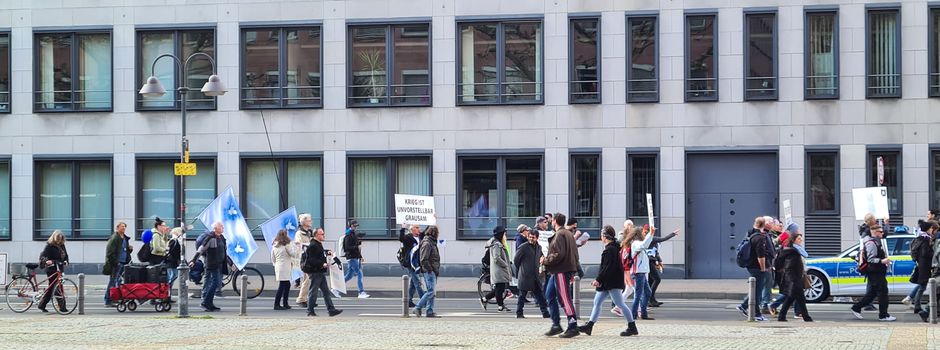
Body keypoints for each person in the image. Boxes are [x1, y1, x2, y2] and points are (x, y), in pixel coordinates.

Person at [578, 225, 638, 337]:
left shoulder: (609, 250)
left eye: (602, 235)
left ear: (605, 237)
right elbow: (608, 267)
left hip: (611, 282)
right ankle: (589, 326)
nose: (601, 237)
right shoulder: (613, 247)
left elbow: (607, 267)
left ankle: (632, 326)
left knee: (620, 304)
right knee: (597, 302)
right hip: (608, 282)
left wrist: (598, 279)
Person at [541, 212, 581, 338]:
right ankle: (556, 325)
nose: (551, 223)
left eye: (551, 221)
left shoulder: (559, 235)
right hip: (562, 270)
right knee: (550, 295)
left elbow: (558, 254)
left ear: (555, 221)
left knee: (564, 298)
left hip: (561, 270)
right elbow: (575, 254)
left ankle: (572, 325)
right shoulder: (569, 234)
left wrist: (545, 260)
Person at [850, 224, 895, 321]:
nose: (883, 233)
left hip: (876, 271)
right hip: (875, 272)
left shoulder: (875, 242)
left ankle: (856, 307)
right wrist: (882, 261)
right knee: (883, 293)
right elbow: (871, 259)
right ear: (874, 232)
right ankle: (883, 315)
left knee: (872, 294)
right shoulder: (871, 243)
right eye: (881, 232)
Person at [737, 217, 771, 321]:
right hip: (757, 267)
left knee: (756, 290)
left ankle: (746, 307)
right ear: (763, 225)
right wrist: (763, 268)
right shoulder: (759, 237)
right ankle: (755, 313)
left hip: (751, 265)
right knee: (757, 291)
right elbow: (760, 255)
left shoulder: (750, 233)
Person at [305, 227, 343, 317]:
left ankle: (331, 310)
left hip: (319, 272)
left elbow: (319, 254)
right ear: (316, 235)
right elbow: (311, 259)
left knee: (326, 292)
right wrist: (323, 264)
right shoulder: (313, 245)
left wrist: (326, 252)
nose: (323, 235)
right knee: (313, 291)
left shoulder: (317, 244)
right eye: (322, 234)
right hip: (315, 272)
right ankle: (310, 311)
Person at [630, 225, 666, 321]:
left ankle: (643, 313)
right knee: (638, 295)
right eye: (643, 232)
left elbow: (646, 244)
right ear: (638, 234)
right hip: (638, 273)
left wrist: (651, 234)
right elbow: (644, 245)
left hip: (641, 272)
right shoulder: (636, 243)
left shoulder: (639, 243)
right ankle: (634, 315)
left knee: (647, 292)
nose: (644, 234)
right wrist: (651, 234)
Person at [775, 233, 813, 322]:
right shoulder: (793, 252)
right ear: (794, 240)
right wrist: (793, 279)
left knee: (794, 298)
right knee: (796, 298)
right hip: (793, 278)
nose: (801, 240)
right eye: (799, 239)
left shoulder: (794, 251)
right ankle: (806, 317)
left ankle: (782, 316)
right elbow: (790, 267)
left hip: (795, 278)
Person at [513, 226, 549, 319]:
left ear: (537, 238)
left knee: (540, 296)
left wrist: (542, 260)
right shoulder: (523, 247)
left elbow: (541, 257)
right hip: (525, 275)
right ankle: (519, 313)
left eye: (533, 237)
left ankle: (545, 313)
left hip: (535, 276)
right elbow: (516, 260)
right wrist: (522, 269)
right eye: (529, 237)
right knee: (522, 296)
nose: (531, 239)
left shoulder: (539, 247)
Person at [190, 222, 227, 312]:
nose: (223, 227)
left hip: (219, 264)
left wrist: (231, 263)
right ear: (216, 228)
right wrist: (194, 260)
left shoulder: (221, 238)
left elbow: (224, 252)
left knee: (215, 283)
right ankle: (205, 302)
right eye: (221, 226)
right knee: (216, 283)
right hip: (212, 264)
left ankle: (209, 303)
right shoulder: (210, 238)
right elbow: (201, 249)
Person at [908, 219, 937, 321]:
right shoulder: (925, 239)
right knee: (922, 286)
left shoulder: (920, 238)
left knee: (922, 286)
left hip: (921, 265)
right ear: (928, 229)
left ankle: (917, 305)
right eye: (930, 228)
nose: (931, 230)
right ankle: (917, 306)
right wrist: (932, 253)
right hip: (925, 266)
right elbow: (925, 254)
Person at [37, 230, 69, 313]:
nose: (59, 241)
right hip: (52, 269)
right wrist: (47, 261)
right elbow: (43, 257)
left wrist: (66, 261)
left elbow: (65, 255)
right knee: (57, 288)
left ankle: (42, 305)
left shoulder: (62, 245)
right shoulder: (49, 246)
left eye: (61, 239)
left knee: (52, 288)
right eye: (58, 239)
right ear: (54, 238)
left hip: (59, 269)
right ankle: (62, 308)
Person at [647, 227, 679, 307]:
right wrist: (673, 234)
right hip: (649, 262)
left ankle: (652, 300)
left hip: (651, 261)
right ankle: (649, 298)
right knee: (657, 279)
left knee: (651, 281)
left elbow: (655, 252)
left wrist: (659, 261)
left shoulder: (650, 239)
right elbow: (663, 239)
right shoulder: (651, 238)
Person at [483, 226, 513, 312]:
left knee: (499, 288)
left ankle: (486, 299)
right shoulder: (496, 244)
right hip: (499, 269)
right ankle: (500, 306)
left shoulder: (498, 243)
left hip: (500, 269)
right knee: (499, 288)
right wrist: (505, 265)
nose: (505, 235)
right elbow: (496, 257)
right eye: (504, 233)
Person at [414, 226, 441, 318]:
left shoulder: (431, 242)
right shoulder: (427, 243)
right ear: (434, 233)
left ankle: (429, 311)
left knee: (431, 292)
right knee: (431, 292)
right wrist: (430, 269)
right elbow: (424, 259)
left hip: (433, 270)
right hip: (429, 271)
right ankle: (417, 307)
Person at [104, 222, 132, 307]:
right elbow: (110, 252)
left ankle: (117, 298)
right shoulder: (115, 238)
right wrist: (116, 263)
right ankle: (108, 300)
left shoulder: (124, 238)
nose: (123, 228)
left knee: (119, 282)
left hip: (123, 262)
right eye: (122, 227)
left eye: (124, 227)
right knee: (113, 281)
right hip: (116, 263)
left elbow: (124, 250)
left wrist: (129, 250)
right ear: (117, 228)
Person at [340, 219, 369, 299]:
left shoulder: (353, 234)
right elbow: (347, 248)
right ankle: (361, 292)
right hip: (352, 257)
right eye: (354, 226)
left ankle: (336, 289)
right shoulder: (348, 235)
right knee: (359, 274)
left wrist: (360, 256)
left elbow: (356, 248)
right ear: (351, 226)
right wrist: (357, 246)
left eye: (356, 226)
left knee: (349, 275)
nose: (356, 227)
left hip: (355, 257)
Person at [271, 229, 299, 310]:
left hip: (278, 266)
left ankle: (285, 303)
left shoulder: (274, 245)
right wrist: (297, 247)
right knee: (283, 285)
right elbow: (293, 254)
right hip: (285, 267)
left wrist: (275, 264)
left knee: (286, 285)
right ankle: (277, 304)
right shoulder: (286, 245)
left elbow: (272, 258)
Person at [400, 223, 425, 308]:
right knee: (417, 283)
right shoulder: (408, 238)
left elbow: (428, 232)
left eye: (419, 227)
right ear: (412, 229)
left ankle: (409, 300)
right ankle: (424, 301)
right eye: (417, 227)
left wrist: (433, 220)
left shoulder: (420, 237)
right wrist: (403, 228)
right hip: (411, 263)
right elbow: (401, 239)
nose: (419, 229)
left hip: (418, 262)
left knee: (413, 284)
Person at [294, 213, 315, 307]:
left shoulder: (309, 233)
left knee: (307, 279)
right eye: (309, 220)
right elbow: (299, 245)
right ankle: (301, 299)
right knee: (308, 279)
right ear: (304, 222)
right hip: (304, 259)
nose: (311, 222)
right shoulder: (299, 233)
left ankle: (307, 299)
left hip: (310, 258)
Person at [165, 227, 183, 299]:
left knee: (172, 277)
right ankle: (167, 295)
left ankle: (168, 295)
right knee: (171, 277)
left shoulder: (175, 241)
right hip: (171, 262)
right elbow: (171, 251)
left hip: (173, 262)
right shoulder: (174, 241)